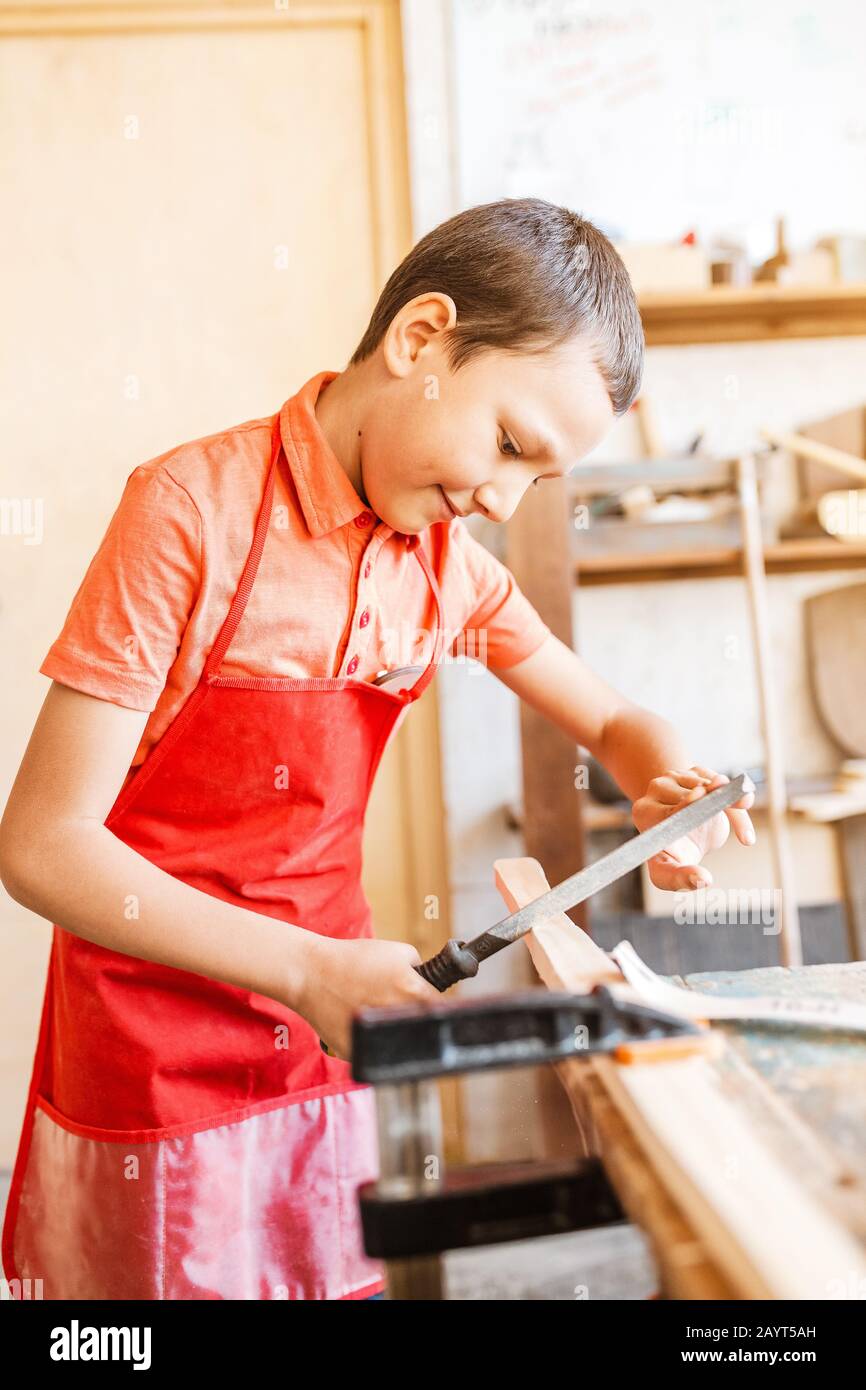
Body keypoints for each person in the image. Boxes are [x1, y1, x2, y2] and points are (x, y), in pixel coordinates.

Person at [0, 197, 754, 1301]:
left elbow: (606, 719)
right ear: (419, 342)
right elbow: (42, 845)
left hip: (329, 1035)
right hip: (151, 1053)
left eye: (535, 482)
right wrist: (303, 969)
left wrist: (663, 779)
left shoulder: (443, 563)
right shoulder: (188, 513)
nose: (498, 498)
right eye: (507, 443)